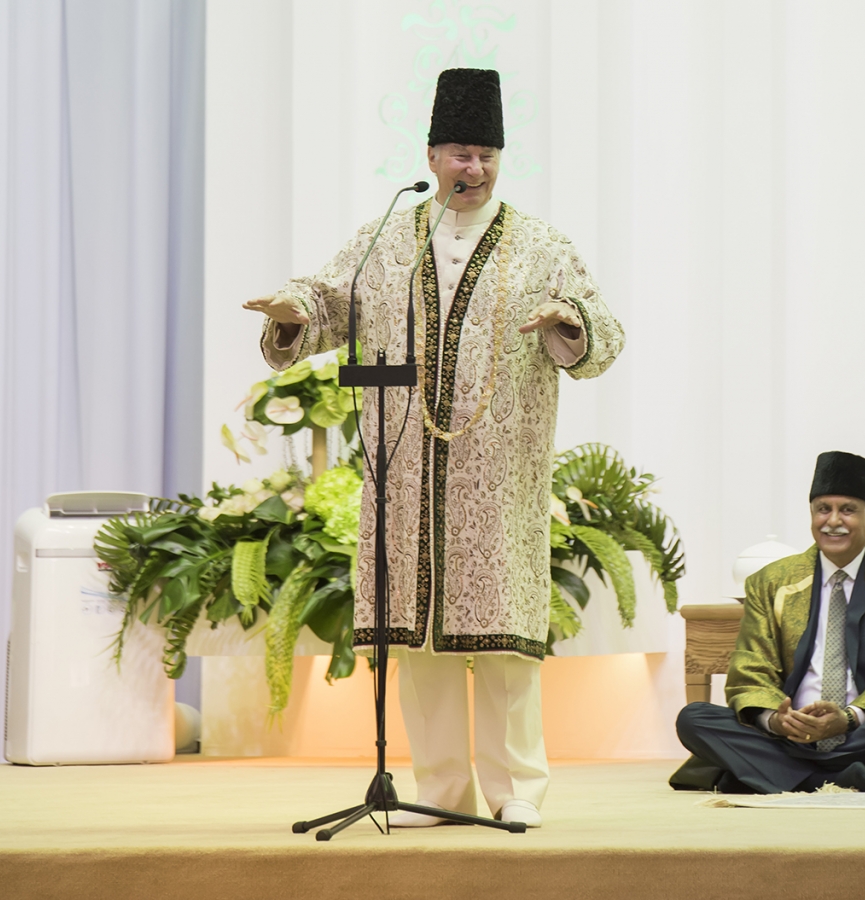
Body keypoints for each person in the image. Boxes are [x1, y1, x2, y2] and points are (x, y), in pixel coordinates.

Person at [244, 68, 624, 827]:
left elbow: (603, 338)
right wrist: (294, 313)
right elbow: (326, 303)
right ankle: (442, 791)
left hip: (500, 473)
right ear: (430, 155)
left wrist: (567, 319)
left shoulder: (542, 245)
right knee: (416, 644)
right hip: (404, 471)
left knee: (507, 643)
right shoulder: (386, 237)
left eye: (486, 154)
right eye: (460, 152)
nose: (473, 168)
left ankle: (518, 790)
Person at [670, 451, 865, 794]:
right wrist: (775, 719)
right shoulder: (770, 581)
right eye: (823, 509)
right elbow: (750, 669)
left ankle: (775, 775)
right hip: (788, 736)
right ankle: (829, 779)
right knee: (694, 718)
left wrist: (847, 718)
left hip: (864, 731)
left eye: (847, 510)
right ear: (812, 515)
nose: (833, 521)